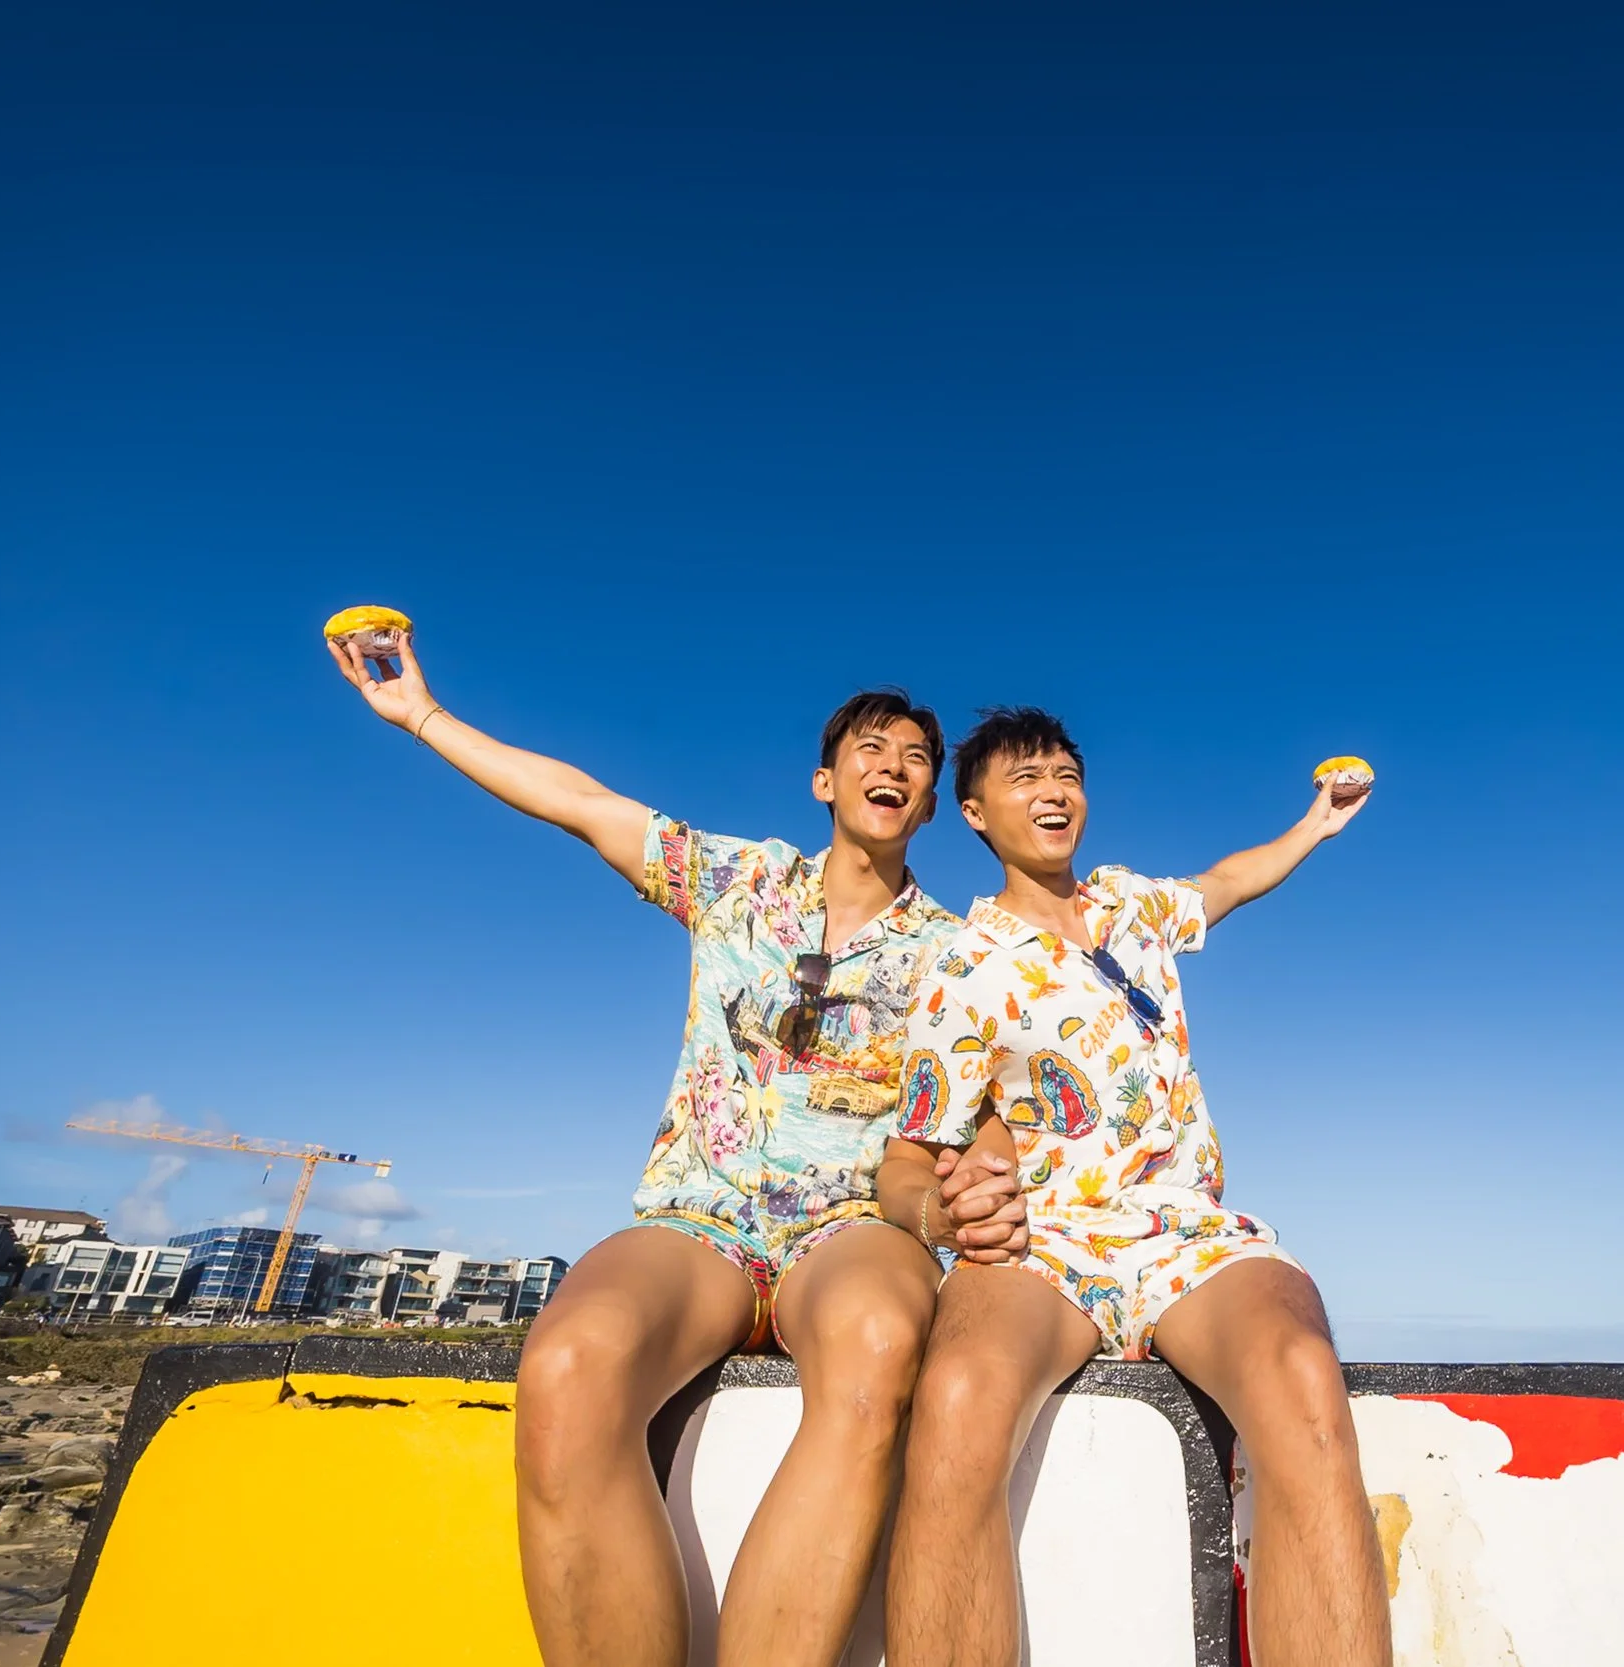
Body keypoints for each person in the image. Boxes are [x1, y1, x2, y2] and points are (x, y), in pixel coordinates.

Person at [330, 632, 1018, 1667]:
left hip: (851, 1225)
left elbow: (996, 1092)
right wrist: (422, 714)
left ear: (929, 802)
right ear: (826, 780)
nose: (893, 764)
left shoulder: (957, 951)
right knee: (565, 1367)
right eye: (870, 748)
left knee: (879, 1344)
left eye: (915, 756)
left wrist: (984, 1176)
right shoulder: (734, 877)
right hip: (698, 1214)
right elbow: (579, 801)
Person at [877, 706, 1392, 1667]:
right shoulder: (960, 964)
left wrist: (1315, 822)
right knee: (955, 1398)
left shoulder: (1134, 907)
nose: (1054, 790)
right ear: (976, 813)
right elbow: (908, 1155)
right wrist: (938, 1210)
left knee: (1302, 1374)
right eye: (1025, 777)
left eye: (1066, 773)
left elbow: (1229, 881)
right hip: (1045, 1242)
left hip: (1187, 1233)